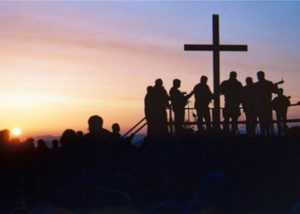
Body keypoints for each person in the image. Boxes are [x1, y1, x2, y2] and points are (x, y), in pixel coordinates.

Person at [254, 71, 278, 135]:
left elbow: (275, 91)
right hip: (265, 105)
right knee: (266, 119)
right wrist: (275, 86)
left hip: (262, 105)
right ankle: (267, 133)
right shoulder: (268, 83)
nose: (258, 77)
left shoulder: (256, 85)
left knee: (263, 119)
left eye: (258, 75)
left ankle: (264, 134)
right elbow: (275, 91)